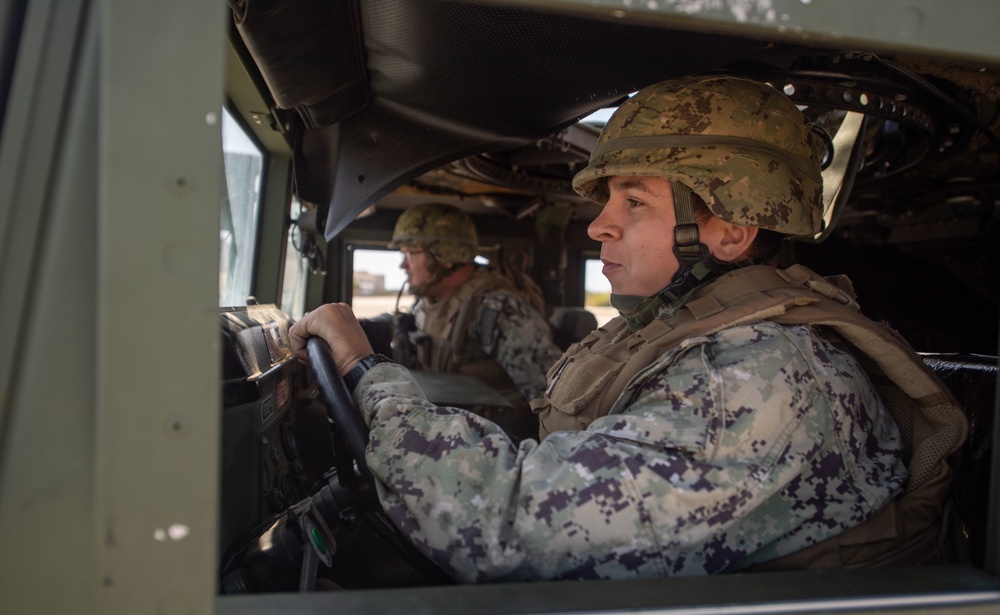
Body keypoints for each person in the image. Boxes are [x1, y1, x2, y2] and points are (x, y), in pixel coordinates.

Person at [289, 76, 967, 583]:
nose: (598, 225)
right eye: (607, 200)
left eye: (634, 201)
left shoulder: (755, 381)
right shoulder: (693, 331)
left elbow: (491, 521)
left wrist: (363, 370)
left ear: (730, 230)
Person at [387, 202, 563, 440]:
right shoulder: (428, 302)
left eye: (411, 253)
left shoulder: (497, 309)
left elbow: (551, 397)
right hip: (444, 435)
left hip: (491, 446)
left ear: (445, 256)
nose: (403, 264)